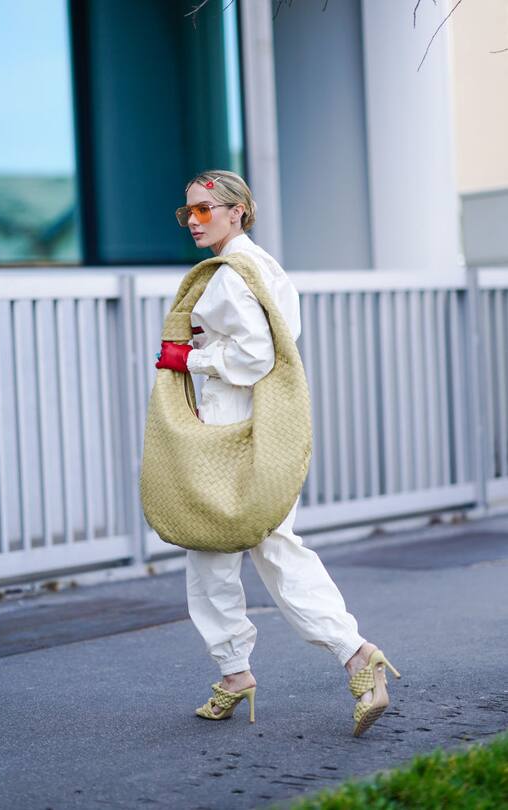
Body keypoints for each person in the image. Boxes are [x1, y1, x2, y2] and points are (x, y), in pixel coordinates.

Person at [155, 170, 400, 737]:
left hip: (228, 437)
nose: (194, 220)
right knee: (272, 550)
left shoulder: (231, 275)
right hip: (263, 435)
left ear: (237, 211)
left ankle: (273, 666)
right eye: (186, 212)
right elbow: (279, 339)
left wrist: (189, 359)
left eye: (204, 210)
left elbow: (255, 356)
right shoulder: (265, 268)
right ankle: (333, 659)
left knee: (213, 552)